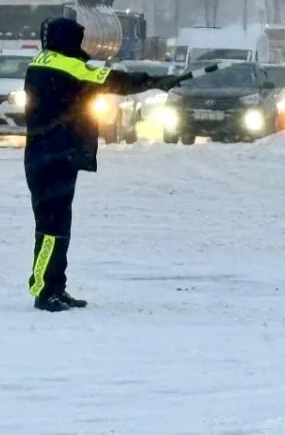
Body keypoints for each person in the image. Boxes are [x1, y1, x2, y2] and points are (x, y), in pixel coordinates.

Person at [23, 16, 182, 312]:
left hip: (50, 155)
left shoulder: (45, 61)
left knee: (58, 227)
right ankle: (43, 290)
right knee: (50, 228)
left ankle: (56, 286)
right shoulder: (64, 66)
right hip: (53, 156)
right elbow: (112, 81)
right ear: (67, 40)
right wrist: (156, 82)